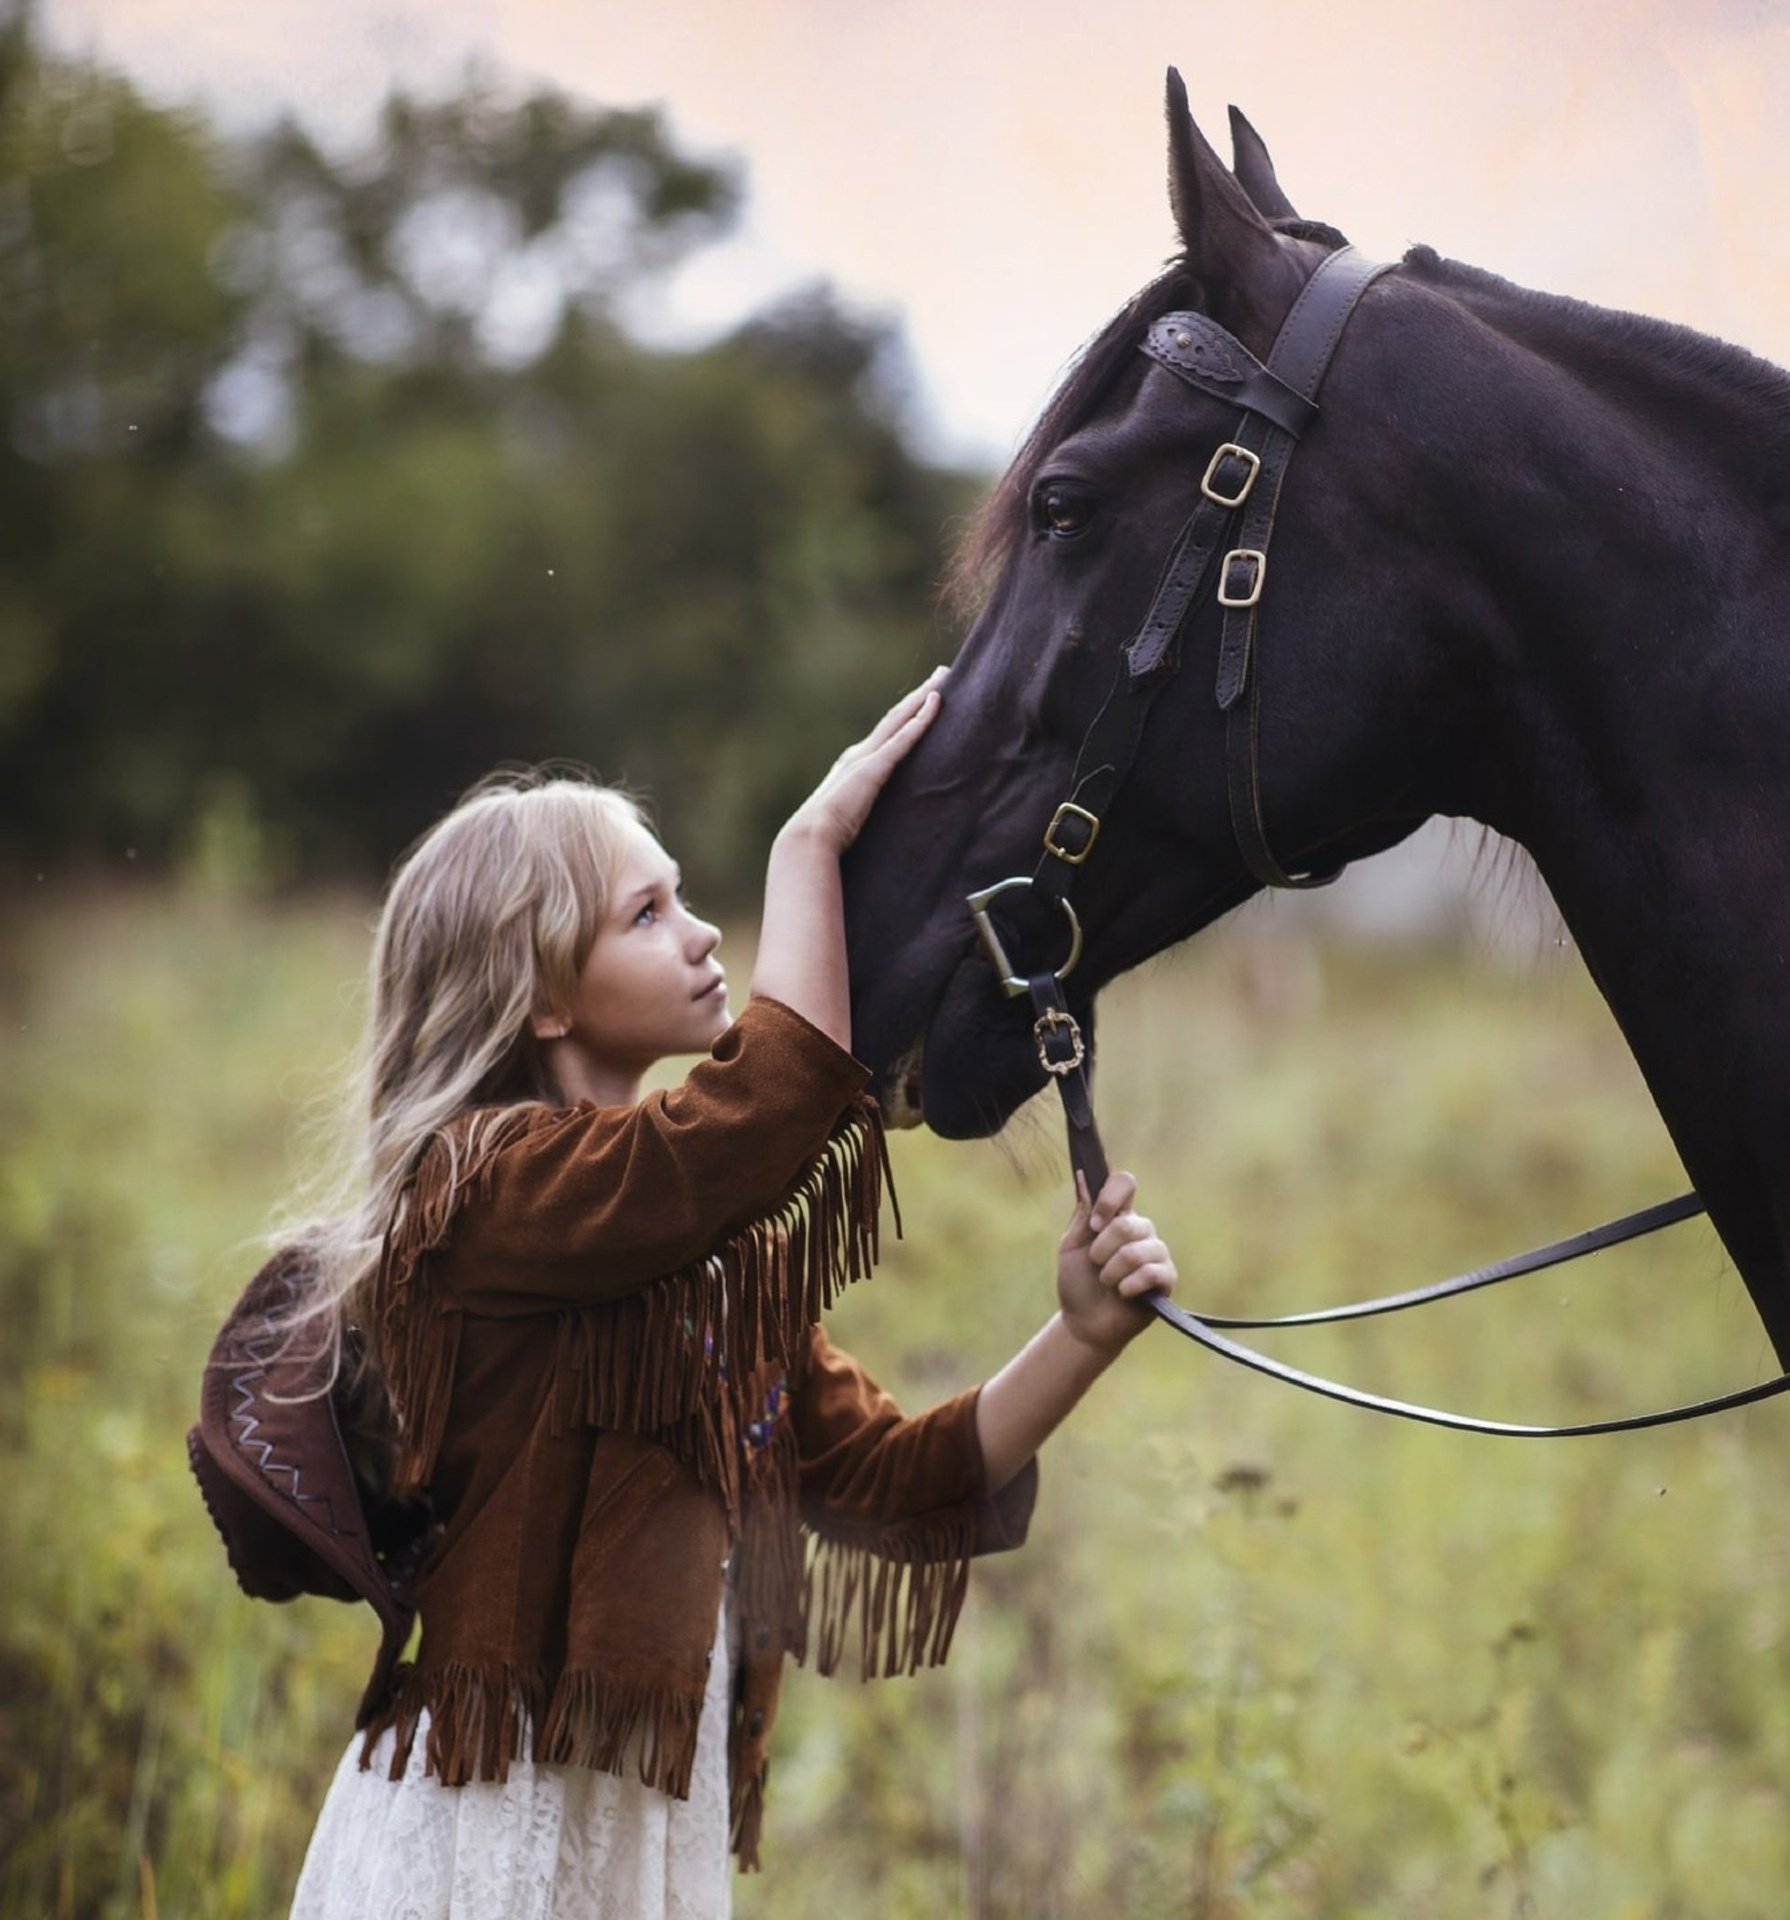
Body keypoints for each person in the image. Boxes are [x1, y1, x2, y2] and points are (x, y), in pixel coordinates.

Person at [275, 669, 1178, 1920]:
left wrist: (1080, 1336)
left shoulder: (694, 1260)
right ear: (537, 992)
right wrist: (809, 846)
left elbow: (894, 1481)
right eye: (648, 912)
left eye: (686, 897)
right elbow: (752, 1126)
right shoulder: (476, 1192)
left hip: (647, 1834)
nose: (703, 932)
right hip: (487, 1836)